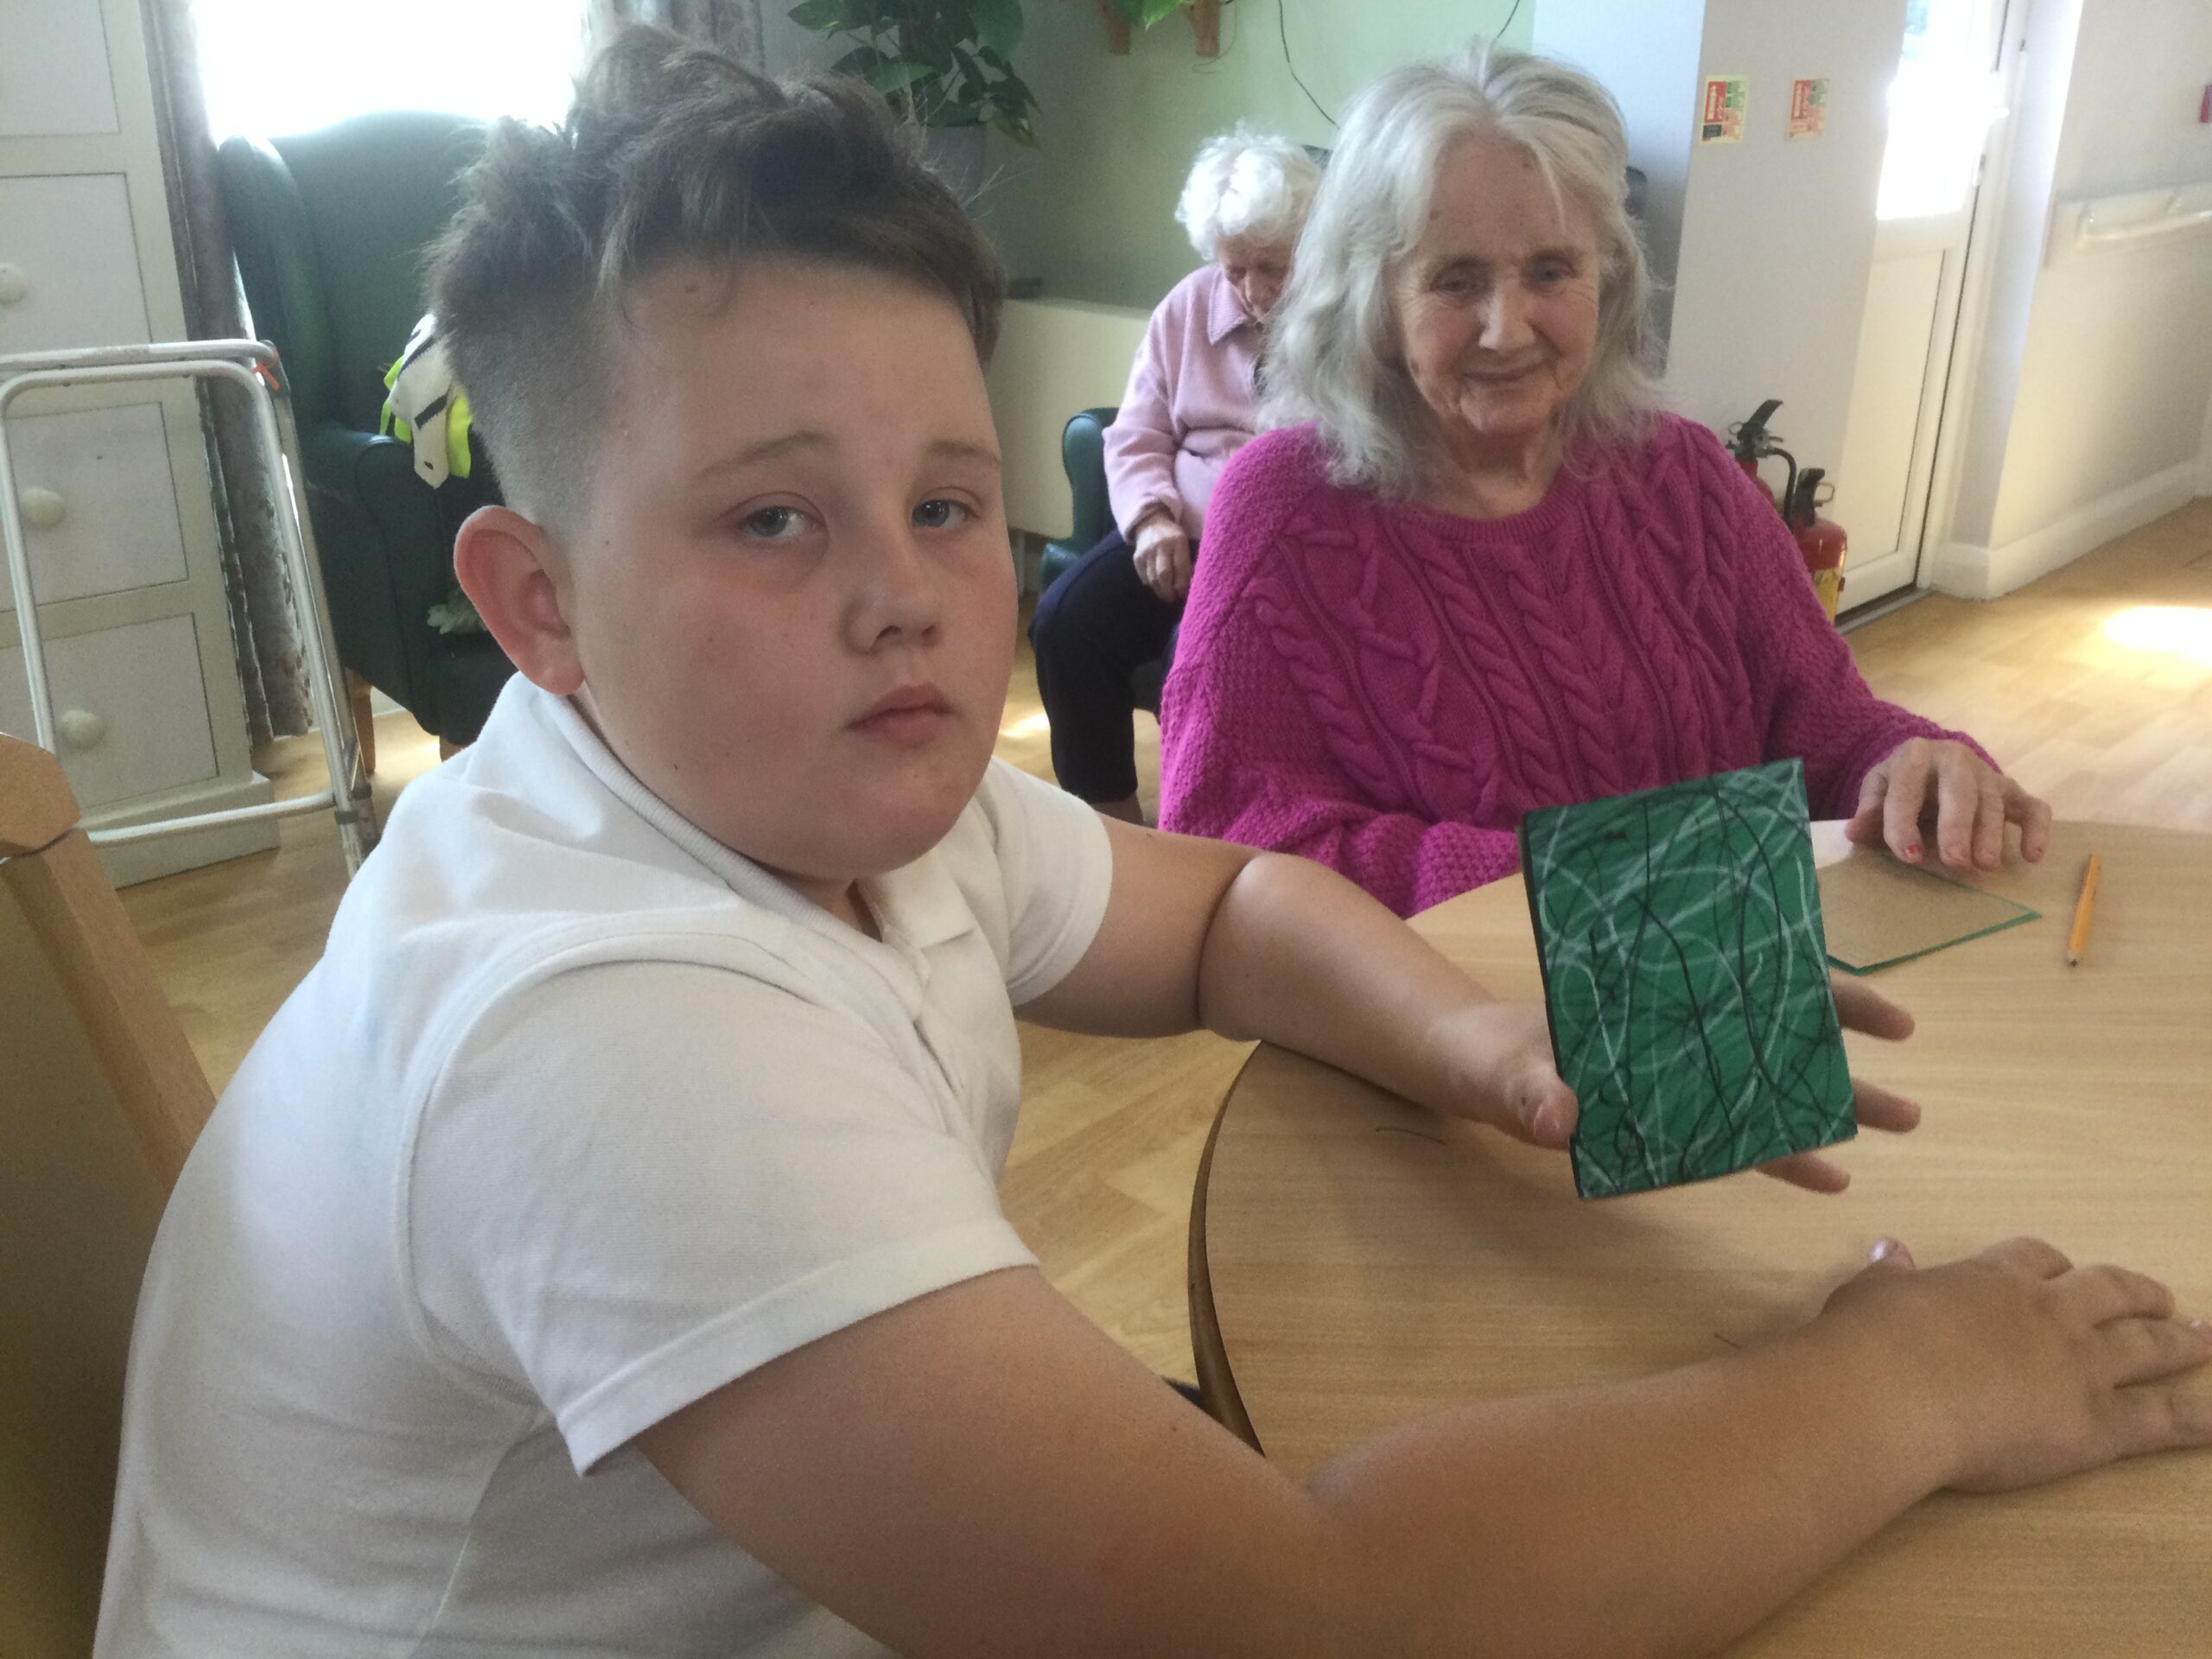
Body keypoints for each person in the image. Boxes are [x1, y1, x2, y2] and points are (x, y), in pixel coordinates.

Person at [96, 29, 2211, 1659]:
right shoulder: (601, 1039)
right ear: (536, 599)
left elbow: (1220, 910)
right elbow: (1308, 1618)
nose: (904, 595)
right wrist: (1911, 1381)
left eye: (941, 501)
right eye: (768, 515)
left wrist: (1485, 1043)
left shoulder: (806, 792)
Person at [1159, 43, 2054, 918]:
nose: (1506, 330)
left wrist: (1912, 760)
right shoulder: (1284, 509)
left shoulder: (1683, 475)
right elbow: (1228, 850)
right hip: (1444, 1030)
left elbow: (1825, 725)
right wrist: (1575, 885)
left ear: (1607, 279)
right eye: (1455, 281)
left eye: (1551, 270)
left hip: (1717, 994)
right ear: (1373, 302)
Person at [1029, 127, 1319, 823]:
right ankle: (1111, 823)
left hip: (1275, 558)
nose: (1253, 292)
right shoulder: (1188, 306)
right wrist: (1152, 519)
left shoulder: (1344, 321)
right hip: (1175, 533)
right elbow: (1134, 431)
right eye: (1235, 269)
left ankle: (1203, 836)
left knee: (1194, 661)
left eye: (1273, 268)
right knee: (1064, 623)